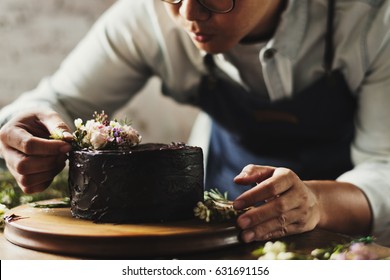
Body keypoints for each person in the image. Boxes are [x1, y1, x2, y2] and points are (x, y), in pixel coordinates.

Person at [0, 0, 390, 245]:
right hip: (222, 216)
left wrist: (318, 203)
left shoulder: (372, 21)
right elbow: (58, 100)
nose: (188, 14)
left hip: (351, 228)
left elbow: (385, 165)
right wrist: (27, 129)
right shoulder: (146, 16)